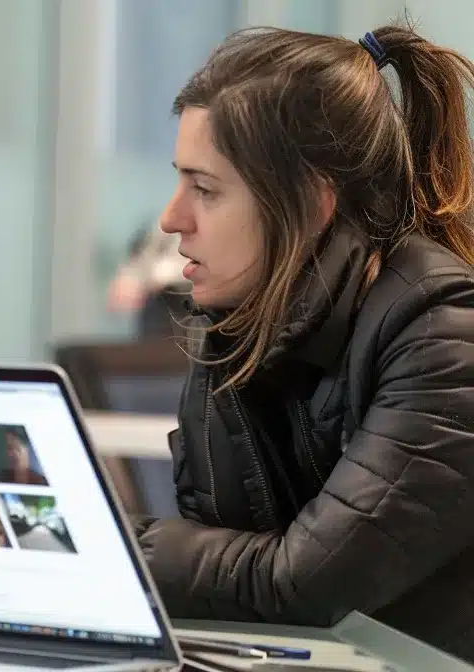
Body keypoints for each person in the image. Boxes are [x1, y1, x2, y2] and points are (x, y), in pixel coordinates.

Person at [134, 24, 474, 657]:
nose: (171, 218)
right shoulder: (242, 319)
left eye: (205, 189)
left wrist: (115, 549)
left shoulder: (444, 332)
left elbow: (302, 582)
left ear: (313, 205)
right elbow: (234, 564)